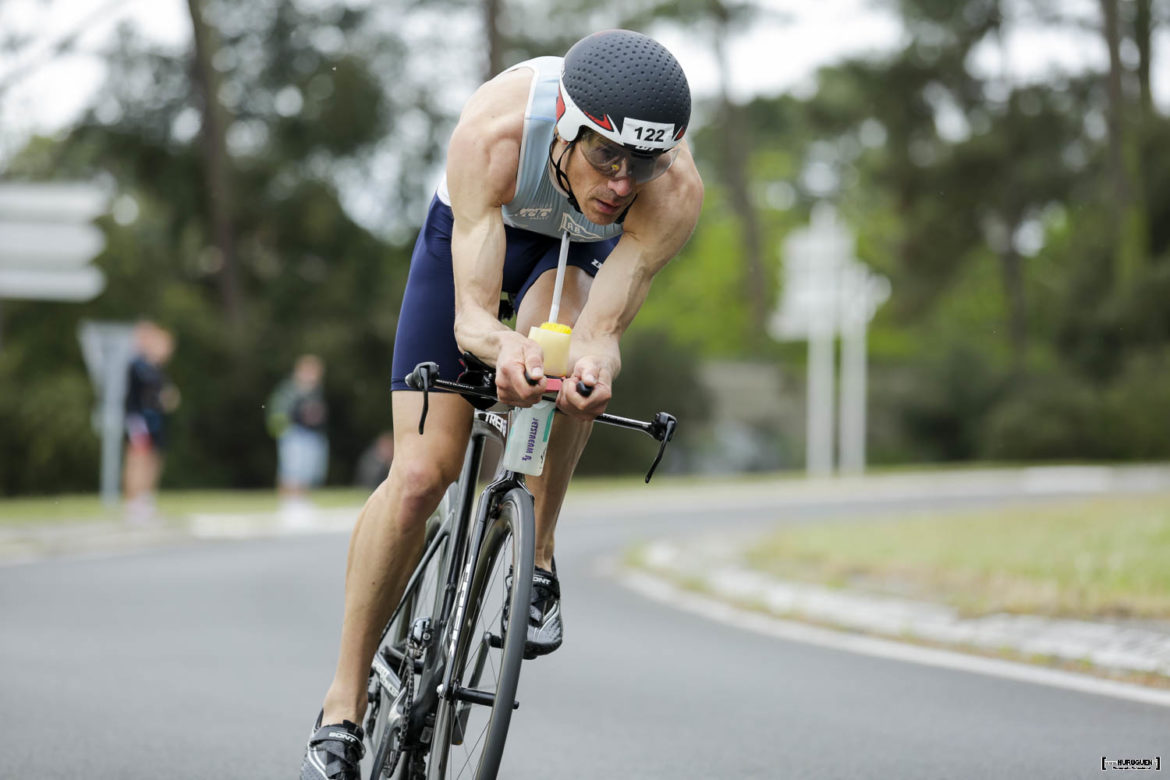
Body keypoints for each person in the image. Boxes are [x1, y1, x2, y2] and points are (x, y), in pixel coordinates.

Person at [300, 29, 702, 779]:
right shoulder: (497, 134)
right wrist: (502, 352)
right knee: (423, 477)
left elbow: (601, 332)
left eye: (641, 164)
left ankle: (538, 556)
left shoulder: (672, 192)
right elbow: (471, 322)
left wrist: (584, 364)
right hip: (479, 235)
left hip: (572, 258)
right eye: (607, 157)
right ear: (570, 129)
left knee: (572, 369)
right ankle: (342, 706)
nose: (621, 183)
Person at [122, 320, 178, 525]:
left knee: (153, 459)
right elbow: (150, 395)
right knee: (139, 459)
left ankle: (145, 501)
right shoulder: (137, 365)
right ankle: (133, 504)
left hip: (154, 421)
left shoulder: (153, 367)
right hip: (140, 421)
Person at [267, 354, 330, 521]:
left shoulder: (316, 391)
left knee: (307, 470)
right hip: (294, 434)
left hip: (312, 435)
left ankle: (302, 502)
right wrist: (283, 430)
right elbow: (279, 412)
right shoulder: (290, 390)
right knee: (291, 469)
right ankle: (287, 504)